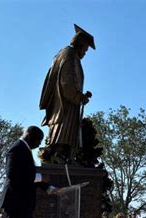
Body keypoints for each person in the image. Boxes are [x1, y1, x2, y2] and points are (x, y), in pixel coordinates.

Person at [39, 24, 95, 163]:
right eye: (85, 50)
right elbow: (66, 82)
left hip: (67, 104)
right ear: (80, 45)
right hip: (65, 105)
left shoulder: (67, 54)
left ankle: (63, 156)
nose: (85, 53)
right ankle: (59, 155)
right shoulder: (69, 55)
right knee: (62, 133)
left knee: (67, 135)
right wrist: (78, 97)